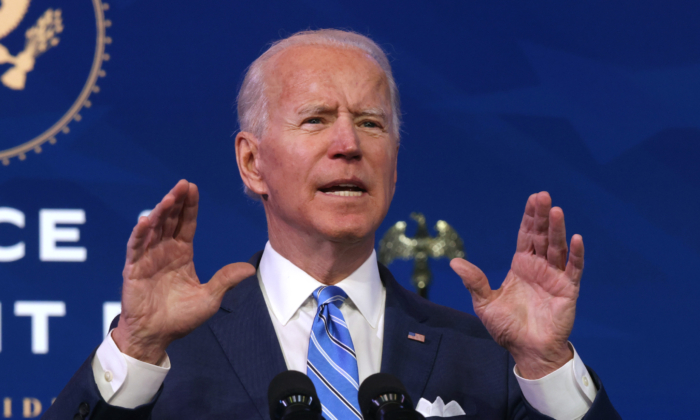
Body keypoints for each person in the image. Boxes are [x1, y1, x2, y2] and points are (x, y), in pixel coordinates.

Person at [44, 29, 619, 420]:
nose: (348, 145)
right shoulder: (167, 351)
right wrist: (137, 345)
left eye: (371, 123)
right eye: (316, 120)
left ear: (394, 161)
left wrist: (546, 363)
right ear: (252, 162)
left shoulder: (487, 356)